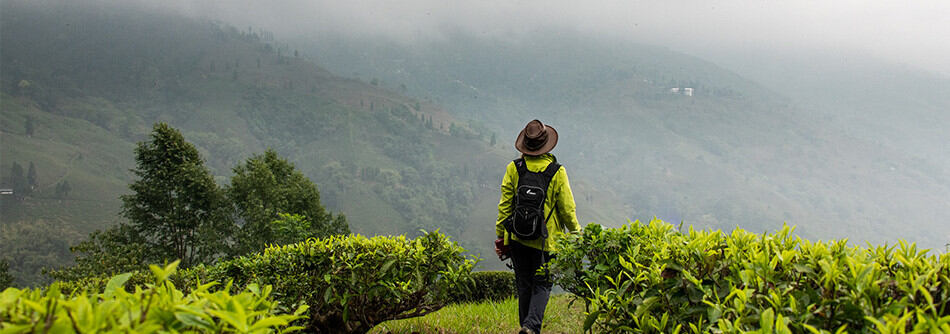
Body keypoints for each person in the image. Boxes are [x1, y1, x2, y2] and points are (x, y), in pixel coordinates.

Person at [495, 119, 580, 334]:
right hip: (546, 242)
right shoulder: (556, 172)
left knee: (524, 284)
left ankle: (526, 327)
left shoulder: (515, 168)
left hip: (517, 239)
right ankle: (531, 328)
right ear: (546, 145)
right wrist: (577, 234)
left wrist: (501, 238)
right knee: (542, 284)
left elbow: (505, 207)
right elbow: (567, 210)